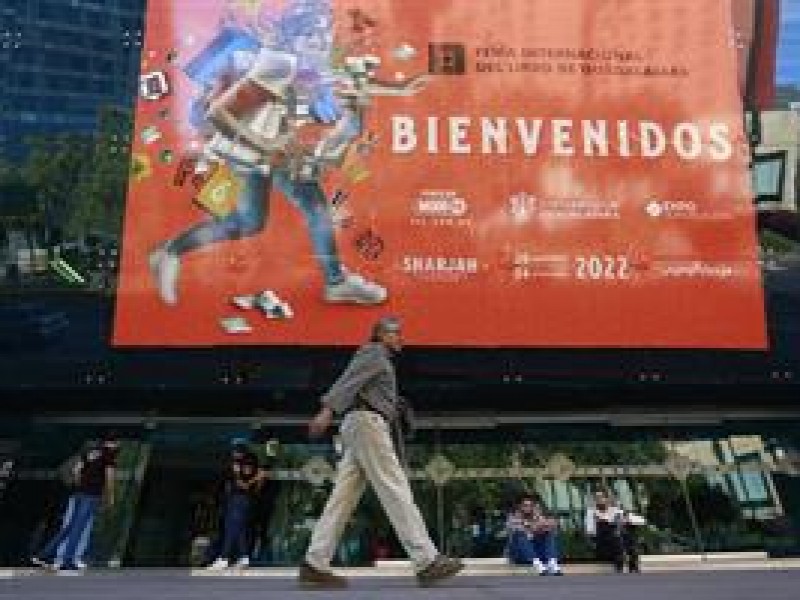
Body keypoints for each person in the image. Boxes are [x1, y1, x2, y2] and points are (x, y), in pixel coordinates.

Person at [299, 316, 463, 588]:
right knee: (395, 489)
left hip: (361, 425)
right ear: (381, 335)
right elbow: (347, 381)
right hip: (367, 425)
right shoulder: (373, 353)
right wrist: (326, 411)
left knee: (341, 500)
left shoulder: (379, 359)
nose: (401, 338)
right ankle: (427, 560)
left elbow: (362, 387)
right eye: (395, 333)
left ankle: (314, 564)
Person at [31, 435, 119, 573]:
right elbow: (109, 477)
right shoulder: (109, 456)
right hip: (91, 496)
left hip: (80, 493)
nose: (116, 447)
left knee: (70, 527)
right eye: (116, 444)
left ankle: (43, 555)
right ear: (112, 444)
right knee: (77, 529)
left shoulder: (90, 453)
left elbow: (76, 470)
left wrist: (81, 484)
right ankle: (67, 562)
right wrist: (110, 497)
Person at [207, 439, 269, 570]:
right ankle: (243, 556)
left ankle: (224, 557)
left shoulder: (247, 462)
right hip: (237, 499)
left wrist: (239, 475)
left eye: (236, 451)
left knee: (232, 527)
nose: (233, 453)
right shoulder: (244, 463)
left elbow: (244, 485)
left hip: (241, 498)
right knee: (238, 528)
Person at [585, 490, 643, 573]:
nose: (598, 499)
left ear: (606, 498)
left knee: (628, 536)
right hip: (602, 537)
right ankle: (622, 564)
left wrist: (624, 520)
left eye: (601, 497)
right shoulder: (592, 511)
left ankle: (633, 564)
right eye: (596, 498)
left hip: (616, 535)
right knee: (614, 533)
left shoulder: (615, 509)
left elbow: (628, 519)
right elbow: (590, 529)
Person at [506, 494, 563, 575]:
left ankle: (552, 563)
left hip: (539, 552)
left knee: (548, 533)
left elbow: (551, 526)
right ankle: (538, 565)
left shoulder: (538, 515)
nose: (528, 508)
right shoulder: (513, 517)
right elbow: (517, 529)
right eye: (525, 505)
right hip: (520, 555)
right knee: (520, 535)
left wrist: (544, 526)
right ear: (520, 506)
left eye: (530, 505)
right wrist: (534, 528)